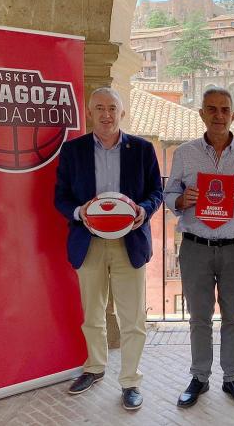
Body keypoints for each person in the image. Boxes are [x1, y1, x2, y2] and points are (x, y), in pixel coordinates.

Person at [54, 86, 163, 410]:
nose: (106, 114)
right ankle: (95, 367)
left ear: (122, 113)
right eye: (99, 108)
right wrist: (79, 212)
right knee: (93, 313)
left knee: (132, 319)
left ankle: (130, 381)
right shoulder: (72, 151)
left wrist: (142, 210)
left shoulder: (142, 149)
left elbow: (156, 191)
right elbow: (61, 197)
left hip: (129, 241)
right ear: (90, 112)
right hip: (88, 242)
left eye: (112, 108)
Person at [164, 87, 234, 409]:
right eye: (212, 109)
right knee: (199, 316)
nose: (218, 115)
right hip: (195, 245)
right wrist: (183, 200)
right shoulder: (184, 153)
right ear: (202, 114)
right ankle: (199, 377)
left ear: (233, 115)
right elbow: (169, 195)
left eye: (225, 110)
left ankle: (233, 377)